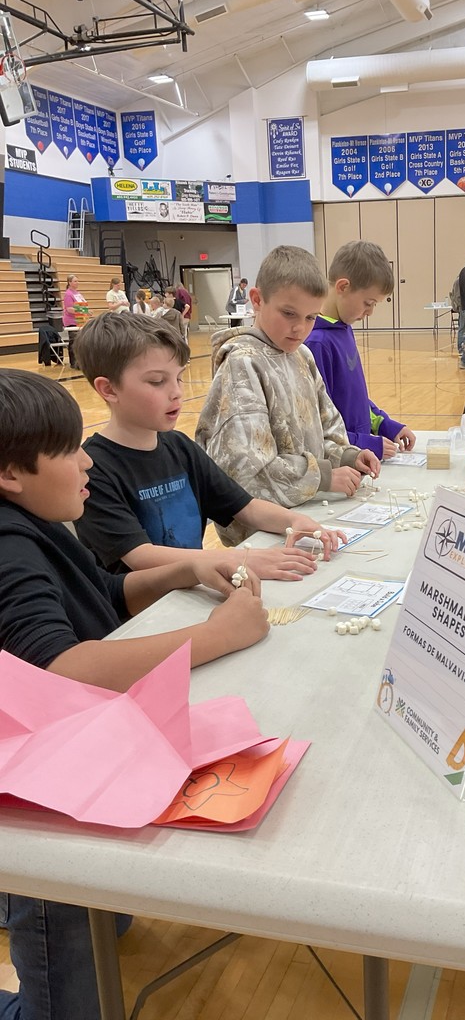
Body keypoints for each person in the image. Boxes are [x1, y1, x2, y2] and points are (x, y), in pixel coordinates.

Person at [0, 368, 269, 1019]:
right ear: (11, 473)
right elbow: (61, 670)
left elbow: (102, 593)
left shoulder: (36, 520)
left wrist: (185, 568)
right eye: (68, 450)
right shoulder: (7, 546)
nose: (86, 459)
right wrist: (216, 636)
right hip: (42, 796)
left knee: (106, 912)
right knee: (70, 984)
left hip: (77, 760)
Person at [73, 312, 343, 575]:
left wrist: (295, 521)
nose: (176, 392)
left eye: (179, 377)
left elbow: (246, 507)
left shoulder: (179, 447)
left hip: (193, 589)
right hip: (148, 604)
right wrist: (239, 559)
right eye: (157, 381)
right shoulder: (93, 469)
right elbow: (141, 557)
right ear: (109, 389)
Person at [195, 245, 380, 521]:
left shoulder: (302, 355)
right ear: (257, 300)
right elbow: (248, 472)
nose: (300, 328)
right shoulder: (242, 364)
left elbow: (329, 428)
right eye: (289, 313)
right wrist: (323, 477)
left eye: (311, 317)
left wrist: (347, 457)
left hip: (310, 512)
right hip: (264, 528)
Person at [305, 241, 415, 459]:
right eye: (368, 303)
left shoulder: (343, 329)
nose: (370, 312)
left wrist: (384, 424)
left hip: (360, 456)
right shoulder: (317, 343)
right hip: (345, 459)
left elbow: (355, 398)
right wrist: (363, 444)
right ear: (343, 287)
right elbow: (318, 426)